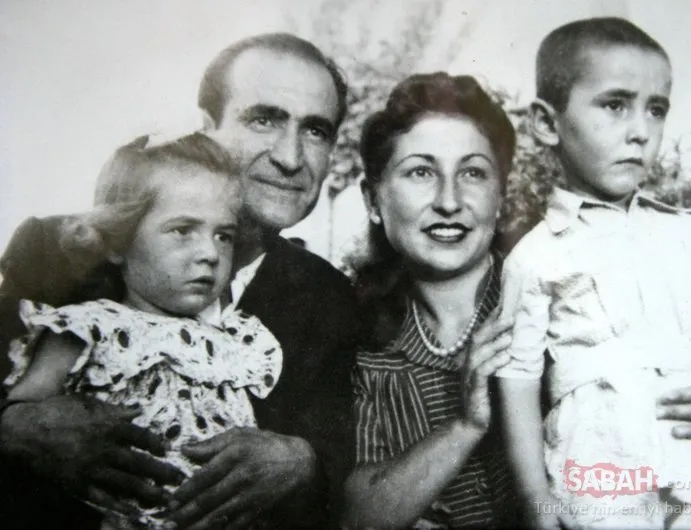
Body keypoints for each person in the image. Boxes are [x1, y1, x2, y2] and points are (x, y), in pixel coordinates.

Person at [0, 33, 360, 530]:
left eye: (316, 130)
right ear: (207, 127)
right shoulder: (56, 250)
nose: (291, 157)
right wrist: (13, 428)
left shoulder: (330, 298)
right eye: (264, 119)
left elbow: (343, 458)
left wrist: (305, 464)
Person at [495, 17, 691, 529]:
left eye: (656, 109)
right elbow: (517, 382)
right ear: (547, 123)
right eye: (615, 105)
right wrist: (536, 500)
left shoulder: (688, 237)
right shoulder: (535, 256)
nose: (640, 130)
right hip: (603, 477)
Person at [4, 133, 285, 529]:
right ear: (117, 242)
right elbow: (29, 421)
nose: (209, 253)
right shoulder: (88, 327)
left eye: (223, 235)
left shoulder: (233, 340)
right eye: (182, 230)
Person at [342, 72, 523, 529]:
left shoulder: (551, 308)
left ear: (501, 196)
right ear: (373, 200)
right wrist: (466, 426)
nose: (449, 201)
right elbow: (358, 520)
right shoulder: (358, 345)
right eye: (421, 172)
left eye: (473, 173)